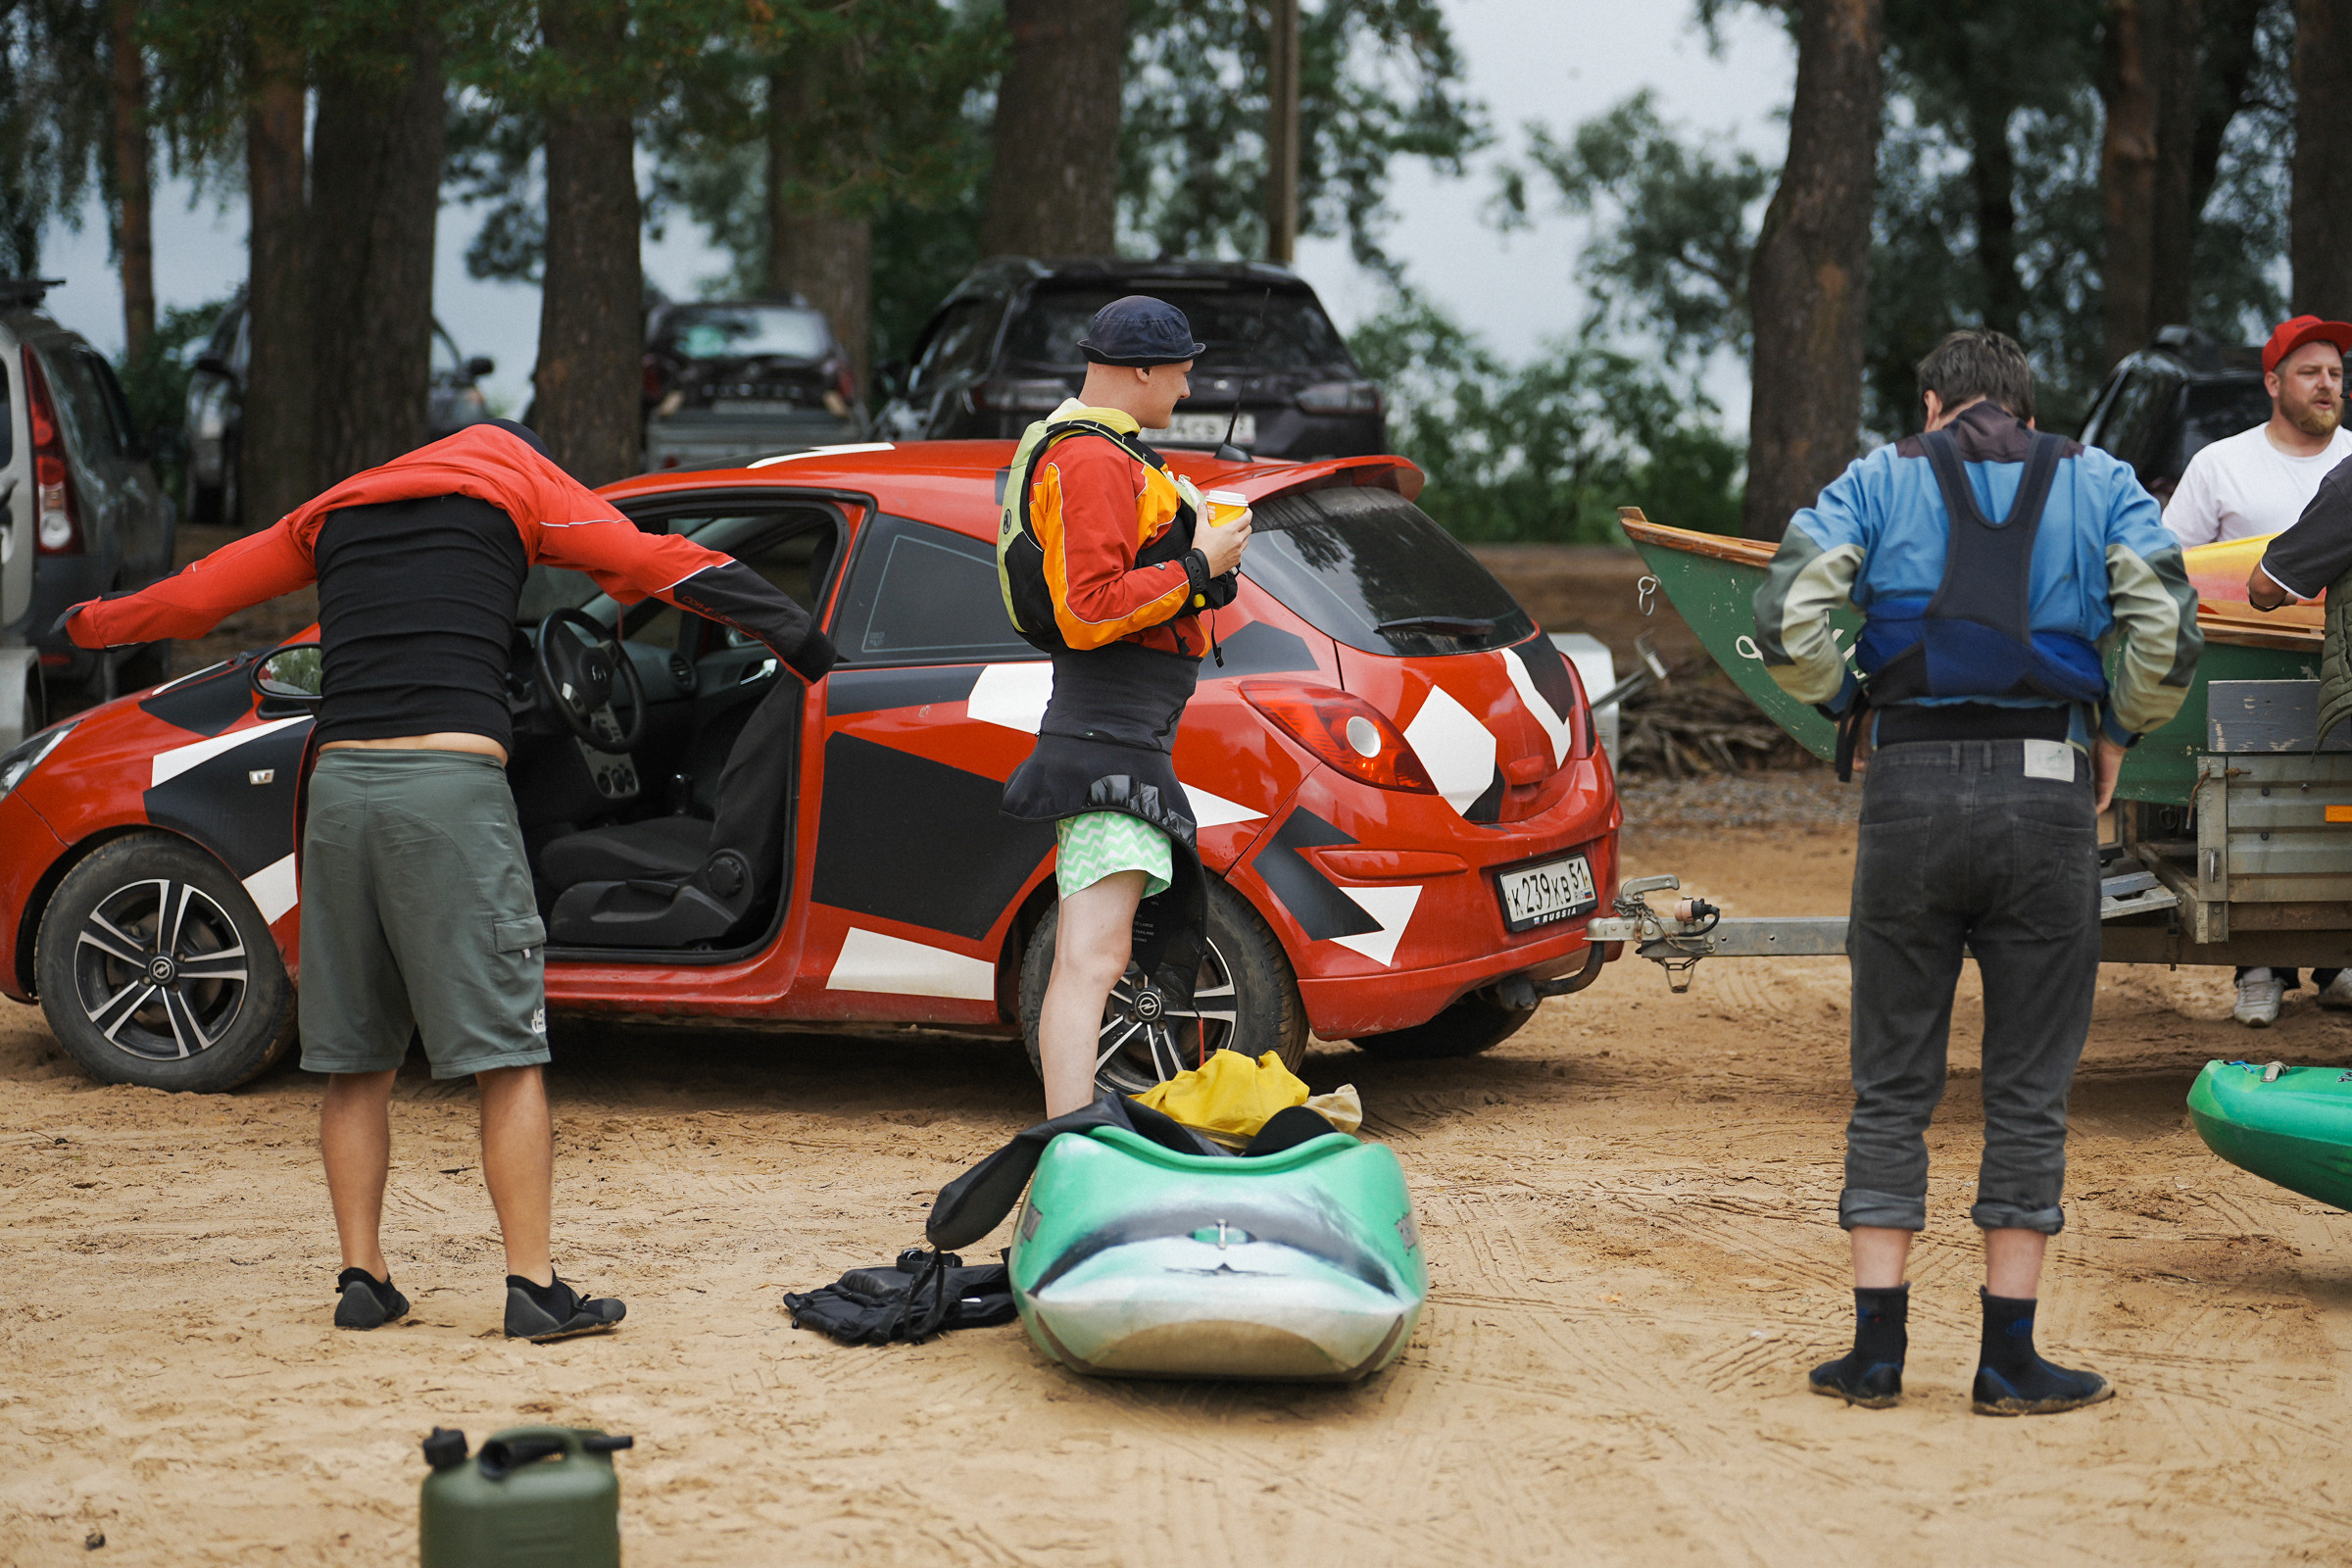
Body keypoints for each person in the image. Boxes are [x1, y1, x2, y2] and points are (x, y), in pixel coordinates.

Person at [60, 419, 835, 1339]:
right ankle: (535, 1290)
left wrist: (85, 625)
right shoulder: (513, 479)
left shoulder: (332, 510)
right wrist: (801, 641)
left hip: (340, 792)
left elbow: (193, 598)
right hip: (450, 787)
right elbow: (654, 562)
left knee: (355, 1062)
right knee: (508, 1056)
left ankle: (363, 1277)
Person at [1753, 329, 2201, 1415]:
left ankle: (1875, 1353)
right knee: (2028, 1088)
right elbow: (2168, 631)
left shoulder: (1878, 475)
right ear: (2030, 413)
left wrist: (1848, 701)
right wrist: (2118, 730)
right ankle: (2007, 1361)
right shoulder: (2100, 482)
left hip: (1907, 795)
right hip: (2046, 796)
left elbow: (1784, 617)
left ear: (1934, 402)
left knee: (1893, 1080)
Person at [994, 297, 1250, 1117]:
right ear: (1140, 369)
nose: (1184, 388)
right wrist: (1200, 564)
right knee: (1091, 962)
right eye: (1179, 372)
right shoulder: (1092, 460)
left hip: (1117, 734)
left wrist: (1199, 551)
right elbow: (1089, 609)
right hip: (1109, 741)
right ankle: (1071, 1134)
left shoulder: (1112, 455)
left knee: (1090, 957)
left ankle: (1073, 1128)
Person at [2164, 314, 2352, 1024]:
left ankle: (2336, 962)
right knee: (2250, 818)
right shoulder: (2222, 463)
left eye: (2336, 372)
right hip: (2241, 678)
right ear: (2273, 382)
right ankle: (2258, 967)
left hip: (2335, 674)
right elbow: (2169, 564)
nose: (2328, 384)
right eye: (2310, 371)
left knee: (2334, 815)